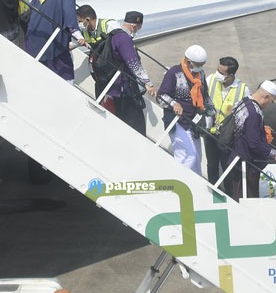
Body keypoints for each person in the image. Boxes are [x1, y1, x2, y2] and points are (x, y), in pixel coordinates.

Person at [227, 81, 276, 198]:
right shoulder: (254, 113)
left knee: (238, 193)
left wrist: (259, 128)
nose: (271, 104)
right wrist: (275, 155)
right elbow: (254, 143)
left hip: (236, 157)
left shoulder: (244, 102)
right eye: (272, 101)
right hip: (246, 164)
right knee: (247, 198)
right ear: (266, 97)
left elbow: (244, 128)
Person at [99, 10, 155, 135]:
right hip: (124, 90)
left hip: (115, 88)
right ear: (135, 25)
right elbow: (133, 63)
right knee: (137, 127)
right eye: (139, 27)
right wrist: (148, 83)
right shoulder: (124, 39)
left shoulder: (114, 35)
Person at [24, 0, 83, 80]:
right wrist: (77, 34)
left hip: (33, 37)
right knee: (66, 74)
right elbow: (69, 14)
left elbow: (32, 5)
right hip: (52, 43)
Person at [158, 45, 209, 173]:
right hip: (178, 121)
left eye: (202, 64)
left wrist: (210, 110)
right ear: (188, 61)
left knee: (197, 157)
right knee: (187, 155)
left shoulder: (200, 74)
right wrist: (174, 104)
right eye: (198, 64)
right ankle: (182, 183)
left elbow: (205, 95)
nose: (200, 67)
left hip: (194, 122)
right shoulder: (174, 73)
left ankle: (195, 184)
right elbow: (161, 96)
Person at [203, 56, 249, 184]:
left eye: (221, 73)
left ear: (231, 75)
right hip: (210, 132)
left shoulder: (243, 90)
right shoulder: (210, 80)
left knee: (227, 166)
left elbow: (246, 115)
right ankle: (213, 190)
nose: (217, 74)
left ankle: (230, 194)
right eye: (217, 70)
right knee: (211, 165)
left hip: (228, 136)